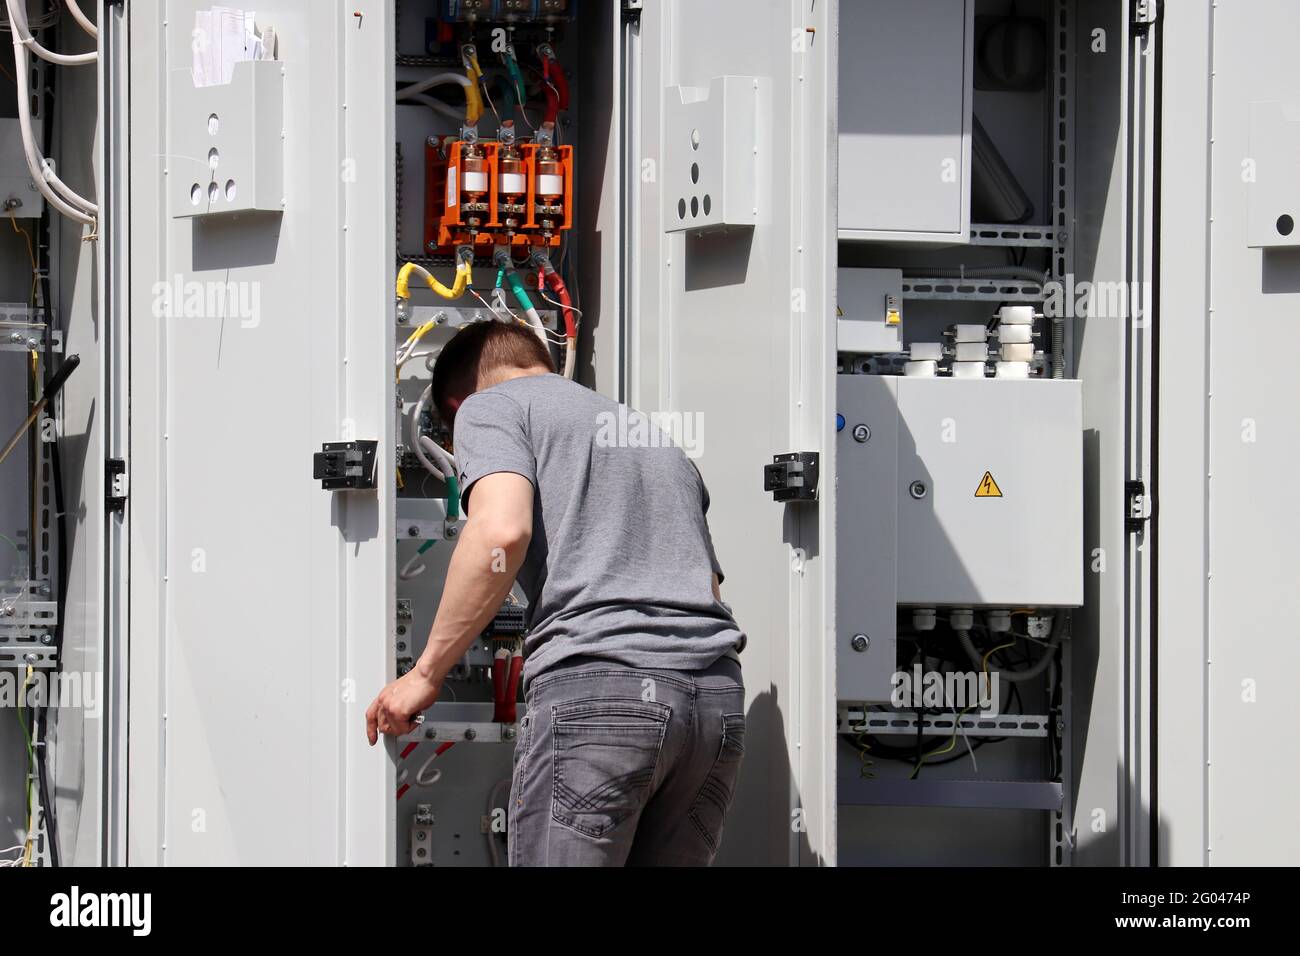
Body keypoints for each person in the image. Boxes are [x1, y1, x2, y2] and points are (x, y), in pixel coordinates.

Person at [365, 319, 748, 866]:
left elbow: (501, 531)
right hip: (714, 705)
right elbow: (706, 584)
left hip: (603, 695)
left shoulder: (490, 406)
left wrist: (425, 674)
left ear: (455, 404)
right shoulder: (653, 437)